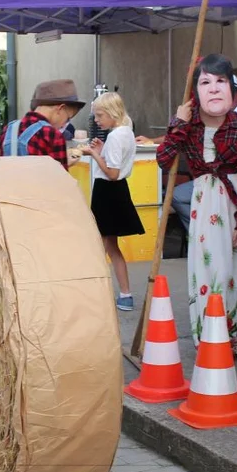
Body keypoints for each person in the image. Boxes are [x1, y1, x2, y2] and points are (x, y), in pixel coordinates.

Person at [157, 55, 237, 356]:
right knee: (210, 269)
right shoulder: (187, 124)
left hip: (234, 202)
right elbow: (163, 160)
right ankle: (212, 336)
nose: (214, 88)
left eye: (221, 81)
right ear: (195, 91)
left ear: (232, 89)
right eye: (205, 82)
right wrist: (178, 123)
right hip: (205, 204)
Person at [85, 92, 144, 312]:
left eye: (100, 116)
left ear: (112, 113)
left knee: (99, 245)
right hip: (117, 191)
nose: (97, 121)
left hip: (107, 191)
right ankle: (125, 294)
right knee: (111, 246)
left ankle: (94, 294)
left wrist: (93, 154)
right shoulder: (126, 131)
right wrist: (102, 151)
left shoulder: (117, 136)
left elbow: (112, 172)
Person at [0, 79, 84, 167]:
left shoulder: (10, 128)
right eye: (67, 118)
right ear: (60, 109)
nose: (64, 124)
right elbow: (60, 178)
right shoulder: (52, 134)